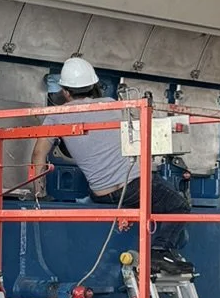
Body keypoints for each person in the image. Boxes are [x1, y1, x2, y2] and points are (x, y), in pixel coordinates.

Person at [24, 58, 193, 271]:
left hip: (100, 194)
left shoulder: (56, 116)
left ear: (66, 92)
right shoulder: (115, 106)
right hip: (134, 187)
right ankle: (158, 253)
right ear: (95, 86)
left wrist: (40, 195)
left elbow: (38, 155)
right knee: (179, 205)